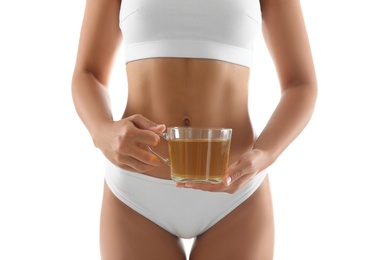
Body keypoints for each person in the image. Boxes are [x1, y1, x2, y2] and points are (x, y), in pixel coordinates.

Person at [71, 0, 317, 258]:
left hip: (235, 195)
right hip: (136, 192)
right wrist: (101, 132)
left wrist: (266, 154)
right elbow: (87, 72)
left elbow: (301, 84)